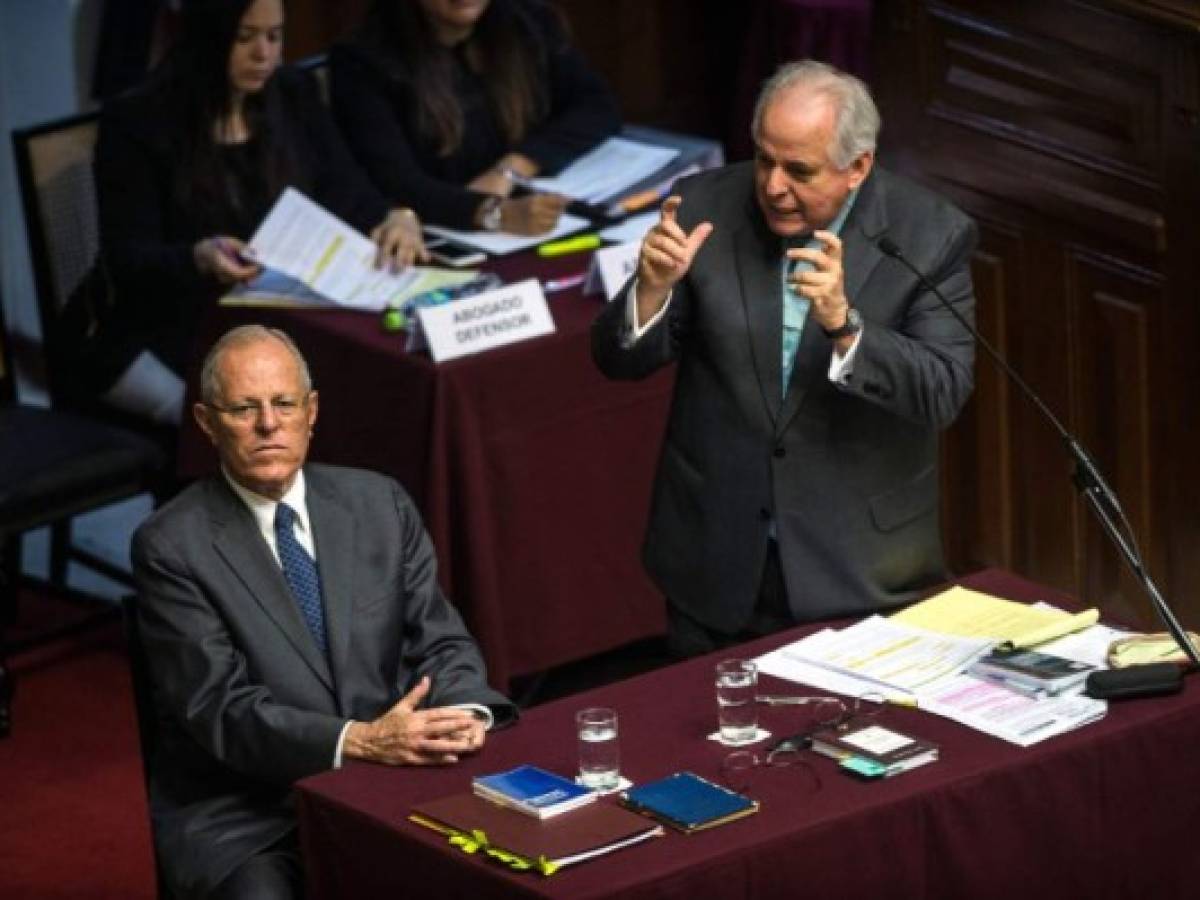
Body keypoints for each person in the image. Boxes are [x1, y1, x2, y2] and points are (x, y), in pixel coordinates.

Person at [591, 60, 978, 658]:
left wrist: (846, 327)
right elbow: (618, 361)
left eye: (799, 170)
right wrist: (651, 290)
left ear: (858, 168)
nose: (773, 185)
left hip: (860, 573)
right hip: (714, 560)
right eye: (765, 159)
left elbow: (942, 390)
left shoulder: (928, 233)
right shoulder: (702, 207)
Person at [131, 324, 515, 899]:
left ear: (311, 412)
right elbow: (223, 711)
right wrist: (358, 740)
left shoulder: (379, 503)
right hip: (253, 812)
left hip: (394, 776)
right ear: (207, 422)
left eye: (284, 404)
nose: (269, 424)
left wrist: (462, 716)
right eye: (244, 408)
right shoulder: (171, 545)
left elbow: (443, 643)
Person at [90, 0, 427, 427]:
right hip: (176, 329)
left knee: (376, 397)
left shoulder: (292, 93)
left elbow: (348, 191)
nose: (263, 55)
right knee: (273, 429)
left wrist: (396, 216)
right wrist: (197, 257)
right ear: (206, 37)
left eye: (274, 36)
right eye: (245, 38)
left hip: (278, 323)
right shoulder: (138, 121)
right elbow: (127, 260)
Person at [329, 0, 620, 234]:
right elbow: (397, 183)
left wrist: (514, 167)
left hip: (539, 211)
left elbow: (597, 106)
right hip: (445, 229)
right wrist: (494, 213)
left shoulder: (529, 21)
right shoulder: (361, 61)